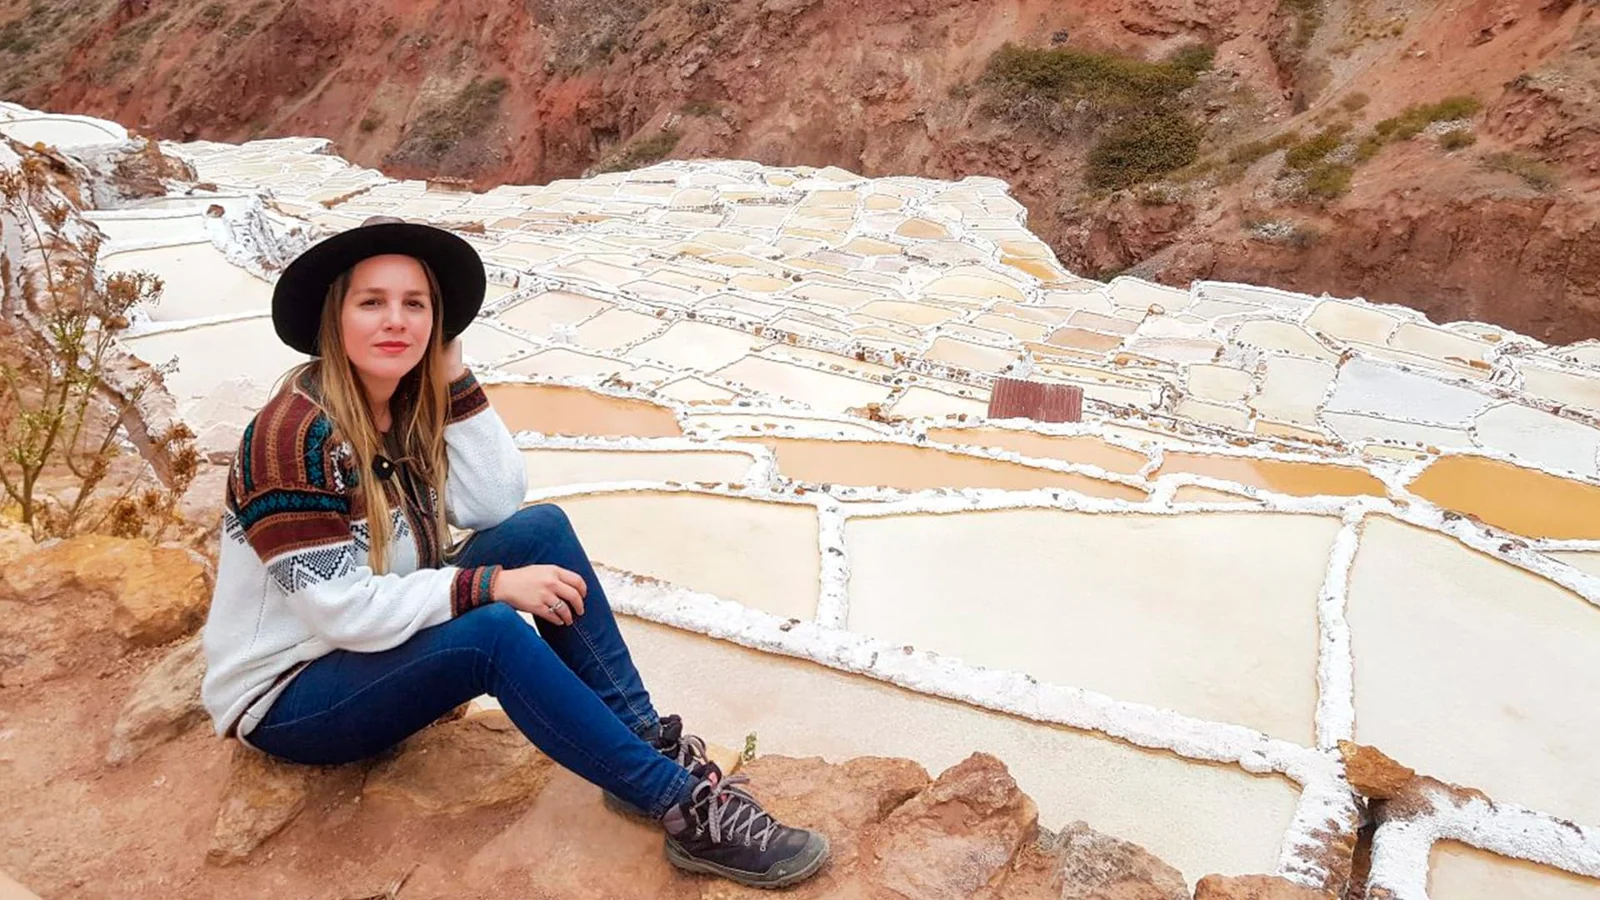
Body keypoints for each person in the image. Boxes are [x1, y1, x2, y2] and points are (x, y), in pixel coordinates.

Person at [198, 216, 829, 889]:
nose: (397, 322)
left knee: (541, 531)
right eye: (372, 302)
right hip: (291, 698)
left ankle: (640, 738)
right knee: (491, 633)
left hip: (370, 647)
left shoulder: (402, 408)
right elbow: (342, 611)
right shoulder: (292, 438)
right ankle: (682, 808)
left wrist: (453, 376)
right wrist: (490, 586)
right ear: (335, 317)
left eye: (417, 305)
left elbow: (494, 502)